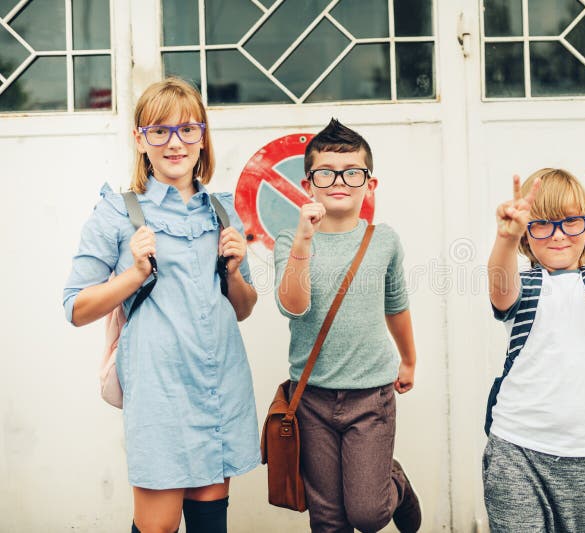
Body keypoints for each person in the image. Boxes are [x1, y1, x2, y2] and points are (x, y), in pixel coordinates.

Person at [63, 77, 260, 533]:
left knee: (210, 525)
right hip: (159, 393)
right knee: (157, 528)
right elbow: (75, 308)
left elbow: (244, 308)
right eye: (160, 131)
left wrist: (233, 272)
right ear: (140, 139)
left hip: (218, 384)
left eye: (188, 129)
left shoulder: (223, 210)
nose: (175, 143)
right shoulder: (118, 211)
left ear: (203, 136)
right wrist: (133, 274)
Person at [273, 118, 422, 533]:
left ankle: (395, 484)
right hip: (311, 397)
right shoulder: (290, 240)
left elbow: (397, 305)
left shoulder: (384, 240)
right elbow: (293, 306)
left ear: (369, 184)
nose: (339, 180)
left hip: (371, 396)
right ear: (309, 185)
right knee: (328, 518)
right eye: (326, 173)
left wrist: (409, 360)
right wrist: (304, 240)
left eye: (352, 172)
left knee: (367, 514)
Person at [484, 165, 585, 532]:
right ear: (527, 234)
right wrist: (505, 238)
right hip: (515, 449)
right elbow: (500, 287)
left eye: (571, 222)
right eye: (542, 224)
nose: (558, 235)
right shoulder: (525, 285)